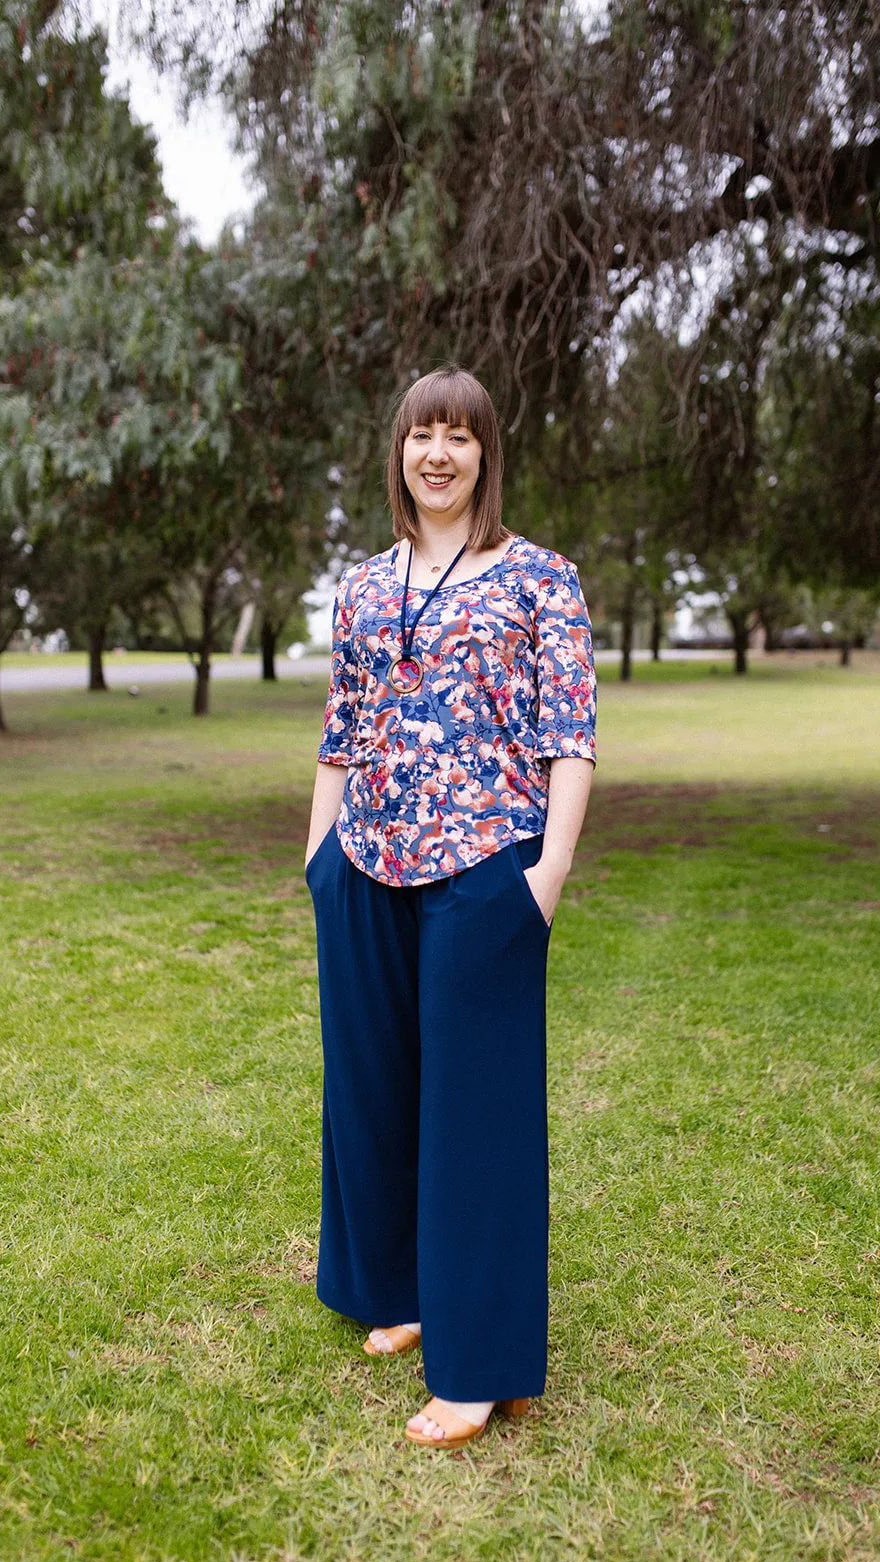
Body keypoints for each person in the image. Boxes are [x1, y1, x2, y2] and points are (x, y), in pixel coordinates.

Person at [304, 365, 597, 1449]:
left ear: (484, 453)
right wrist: (315, 855)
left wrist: (547, 871)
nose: (438, 453)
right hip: (366, 858)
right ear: (398, 453)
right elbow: (343, 724)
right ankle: (399, 1290)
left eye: (458, 437)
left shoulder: (538, 579)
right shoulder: (363, 584)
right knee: (371, 1088)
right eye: (420, 435)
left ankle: (478, 1370)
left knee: (478, 1115)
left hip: (487, 865)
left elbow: (569, 732)